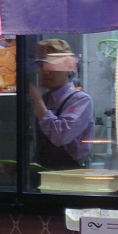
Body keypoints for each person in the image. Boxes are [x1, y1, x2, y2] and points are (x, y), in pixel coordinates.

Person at [27, 38, 94, 171]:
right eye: (41, 65)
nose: (45, 71)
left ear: (69, 67)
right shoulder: (45, 99)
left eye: (52, 65)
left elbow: (60, 137)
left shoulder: (80, 100)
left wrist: (38, 102)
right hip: (41, 173)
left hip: (68, 175)